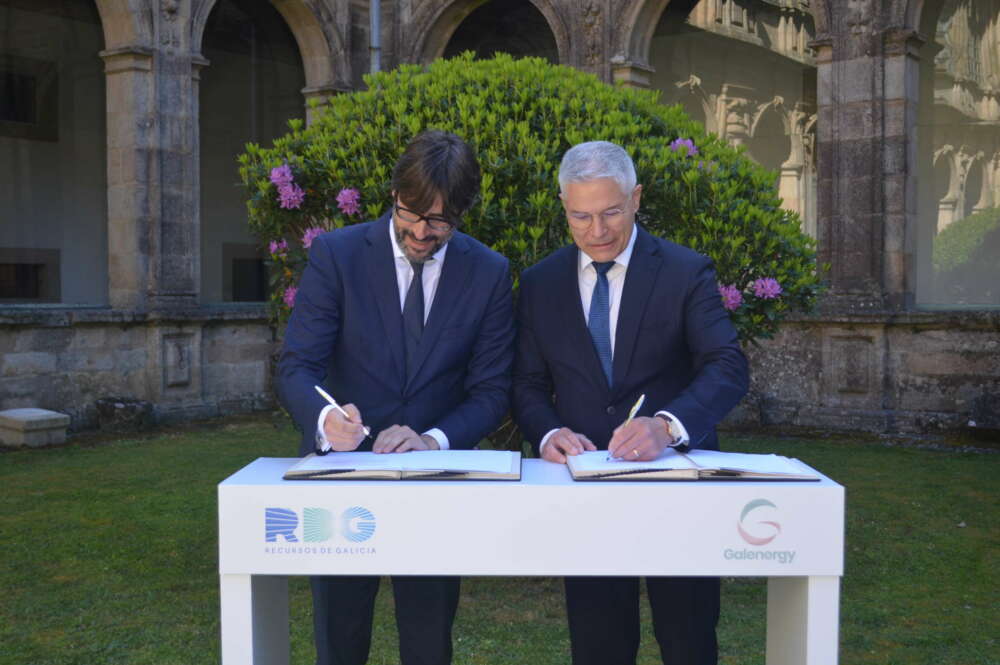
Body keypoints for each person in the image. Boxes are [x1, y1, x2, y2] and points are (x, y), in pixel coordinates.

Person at [276, 129, 514, 665]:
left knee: (429, 642)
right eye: (412, 213)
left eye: (441, 221)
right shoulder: (337, 255)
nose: (422, 232)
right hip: (341, 478)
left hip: (435, 483)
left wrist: (432, 440)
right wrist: (325, 419)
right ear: (394, 195)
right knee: (340, 638)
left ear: (463, 212)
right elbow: (298, 365)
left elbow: (492, 390)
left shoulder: (489, 272)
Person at [512, 140, 749, 665]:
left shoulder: (685, 272)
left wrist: (667, 426)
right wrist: (549, 433)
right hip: (586, 492)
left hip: (679, 488)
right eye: (581, 215)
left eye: (611, 212)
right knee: (599, 645)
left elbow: (728, 366)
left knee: (688, 641)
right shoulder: (539, 283)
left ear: (636, 198)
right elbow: (526, 384)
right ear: (563, 206)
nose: (597, 231)